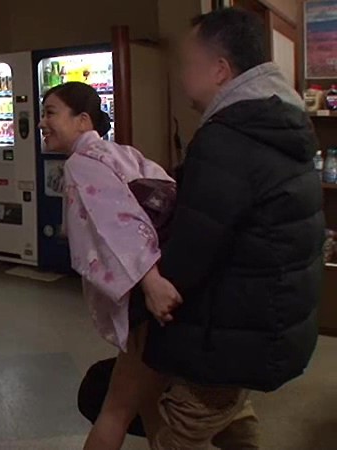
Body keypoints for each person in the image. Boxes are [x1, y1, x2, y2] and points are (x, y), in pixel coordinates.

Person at [138, 8, 323, 449]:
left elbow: (192, 248)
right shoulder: (280, 121)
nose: (182, 76)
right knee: (233, 417)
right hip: (268, 323)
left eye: (188, 64)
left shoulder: (227, 138)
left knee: (179, 433)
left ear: (220, 70)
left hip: (231, 333)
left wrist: (152, 283)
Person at [39, 81, 180, 450]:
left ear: (83, 120)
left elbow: (118, 226)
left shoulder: (82, 162)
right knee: (147, 400)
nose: (41, 123)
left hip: (144, 295)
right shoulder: (122, 152)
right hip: (166, 280)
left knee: (116, 409)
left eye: (51, 113)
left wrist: (150, 282)